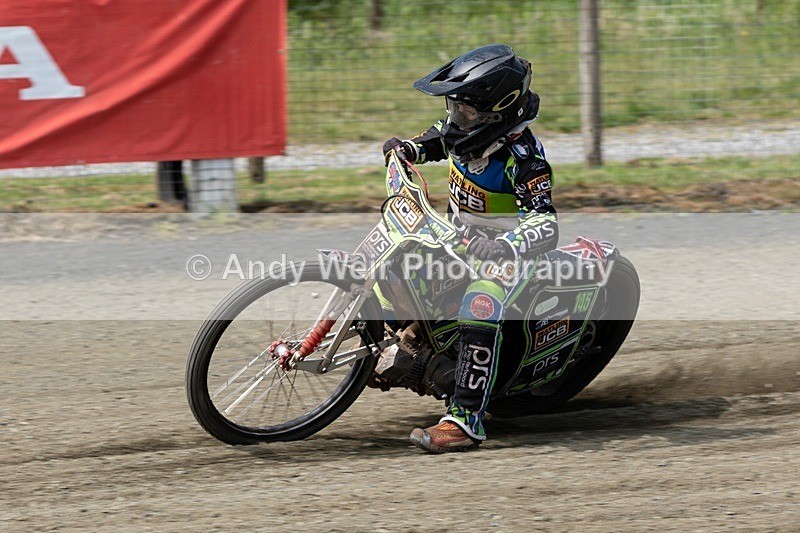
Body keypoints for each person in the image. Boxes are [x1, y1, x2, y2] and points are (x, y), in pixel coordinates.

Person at [382, 44, 559, 453]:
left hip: (509, 259)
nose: (455, 118)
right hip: (457, 241)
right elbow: (437, 140)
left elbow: (545, 224)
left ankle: (466, 421)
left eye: (466, 111)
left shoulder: (524, 159)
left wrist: (507, 247)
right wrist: (406, 151)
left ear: (498, 113)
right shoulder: (463, 130)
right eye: (454, 107)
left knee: (479, 307)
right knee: (396, 265)